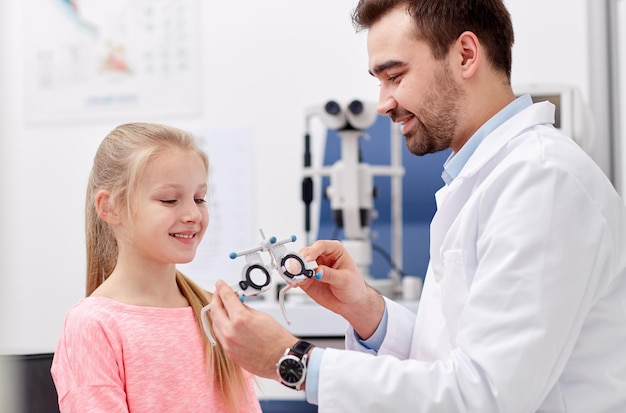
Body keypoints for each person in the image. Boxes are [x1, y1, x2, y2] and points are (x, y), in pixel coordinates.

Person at [208, 0, 626, 412]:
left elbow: (485, 396)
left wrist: (293, 360)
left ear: (465, 55)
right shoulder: (482, 178)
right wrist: (366, 309)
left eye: (395, 76)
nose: (383, 103)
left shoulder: (542, 181)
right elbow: (451, 354)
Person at [51, 123, 262, 413]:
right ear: (111, 207)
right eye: (169, 200)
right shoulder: (93, 325)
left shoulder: (215, 313)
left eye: (199, 198)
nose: (192, 214)